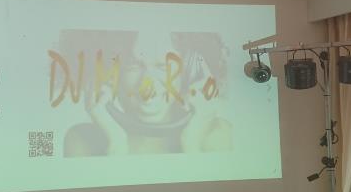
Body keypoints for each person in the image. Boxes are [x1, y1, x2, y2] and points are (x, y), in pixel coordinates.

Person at [60, 30, 232, 156]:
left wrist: (192, 144)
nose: (148, 87)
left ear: (189, 74)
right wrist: (116, 144)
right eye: (133, 66)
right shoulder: (81, 142)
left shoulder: (220, 135)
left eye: (164, 66)